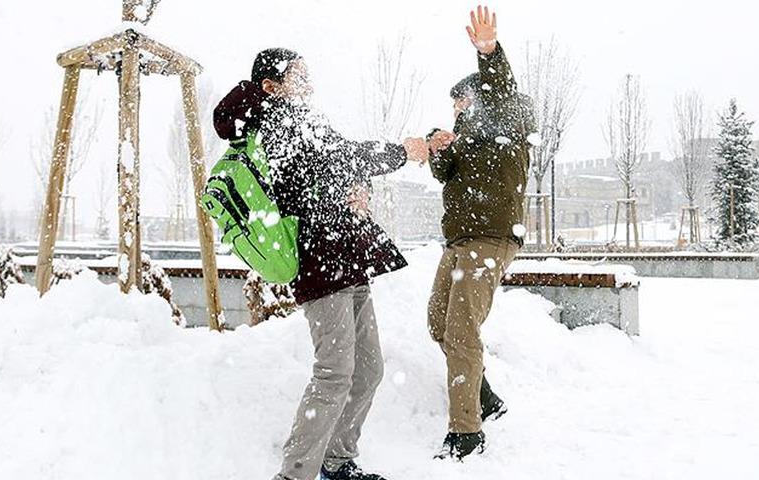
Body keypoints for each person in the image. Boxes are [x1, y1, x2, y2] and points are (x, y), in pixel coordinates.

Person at [213, 48, 429, 480]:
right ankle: (295, 473)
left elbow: (338, 164)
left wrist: (359, 188)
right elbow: (332, 159)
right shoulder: (274, 122)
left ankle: (337, 462)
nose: (309, 84)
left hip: (348, 257)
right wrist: (399, 152)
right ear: (272, 86)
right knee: (334, 372)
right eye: (299, 76)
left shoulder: (305, 121)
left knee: (368, 369)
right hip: (320, 261)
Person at [424, 5, 534, 460]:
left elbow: (502, 90)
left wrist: (488, 51)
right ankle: (485, 396)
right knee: (438, 323)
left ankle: (466, 432)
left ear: (481, 97)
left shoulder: (508, 120)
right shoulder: (465, 139)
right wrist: (436, 145)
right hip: (461, 242)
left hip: (490, 240)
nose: (457, 110)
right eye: (454, 106)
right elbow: (443, 173)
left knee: (463, 331)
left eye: (462, 102)